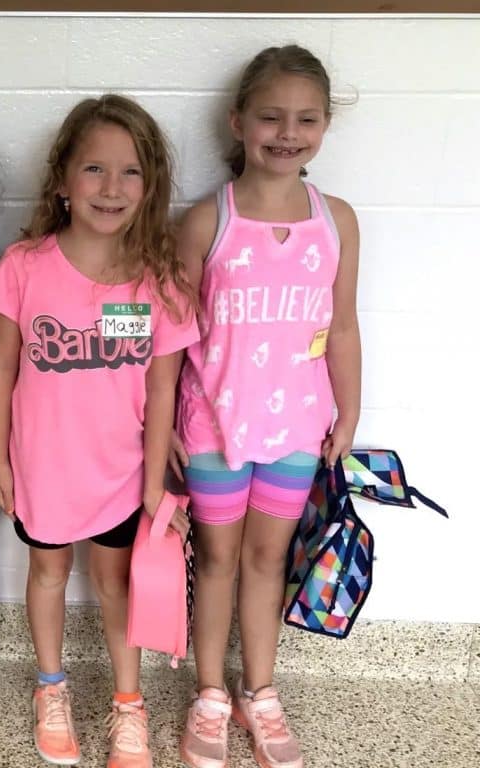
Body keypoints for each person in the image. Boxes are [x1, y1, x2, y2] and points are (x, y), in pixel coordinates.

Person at [0, 95, 197, 768]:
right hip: (43, 464)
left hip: (121, 473)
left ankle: (129, 705)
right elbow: (1, 367)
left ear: (150, 186)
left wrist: (156, 485)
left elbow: (162, 389)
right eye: (94, 169)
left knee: (115, 583)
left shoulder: (162, 282)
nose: (111, 187)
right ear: (63, 180)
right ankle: (51, 688)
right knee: (48, 572)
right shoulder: (25, 264)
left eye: (131, 172)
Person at [173, 45, 361, 768]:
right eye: (271, 117)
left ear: (325, 127)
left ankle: (260, 690)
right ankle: (210, 694)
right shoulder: (205, 221)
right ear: (239, 122)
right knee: (217, 559)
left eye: (307, 119)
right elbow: (173, 335)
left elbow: (343, 326)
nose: (288, 133)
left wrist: (348, 413)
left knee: (267, 558)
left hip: (297, 428)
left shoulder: (336, 221)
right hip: (212, 427)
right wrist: (162, 430)